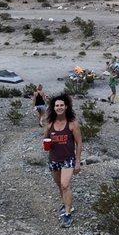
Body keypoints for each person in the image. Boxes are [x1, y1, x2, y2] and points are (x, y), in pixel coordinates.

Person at [44, 94, 83, 228]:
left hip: (68, 159)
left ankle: (67, 214)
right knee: (60, 186)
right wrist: (46, 144)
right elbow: (45, 139)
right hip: (54, 160)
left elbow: (79, 143)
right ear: (53, 108)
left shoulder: (72, 123)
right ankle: (67, 205)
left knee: (65, 184)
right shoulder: (50, 124)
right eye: (56, 105)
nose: (59, 107)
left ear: (66, 107)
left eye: (61, 105)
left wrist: (78, 162)